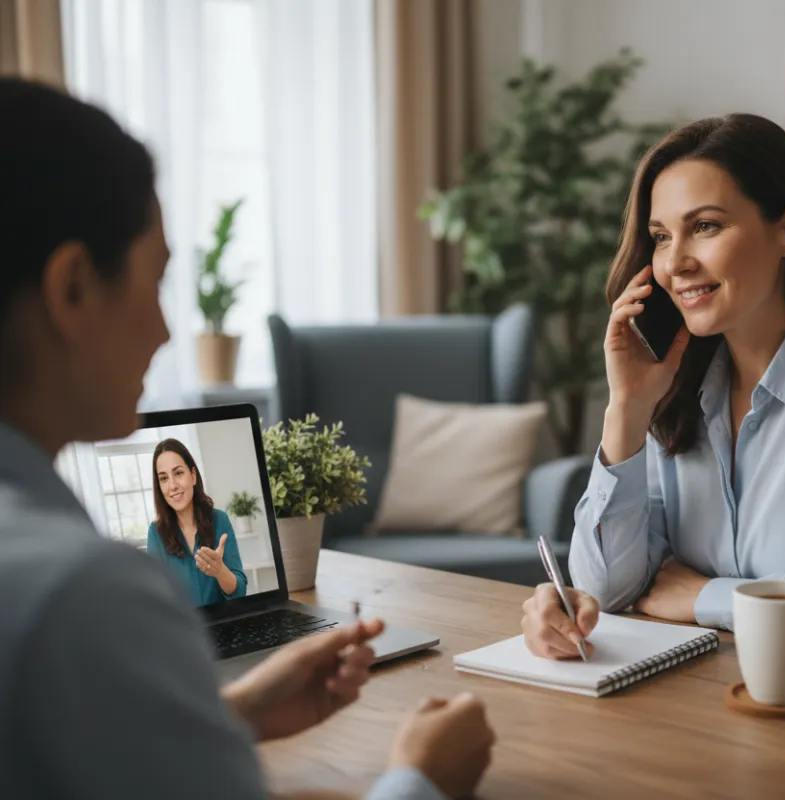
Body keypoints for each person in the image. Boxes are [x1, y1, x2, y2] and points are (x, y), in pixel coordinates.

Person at [0, 77, 493, 799]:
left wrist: (226, 715)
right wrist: (420, 780)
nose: (166, 331)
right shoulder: (81, 593)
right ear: (72, 287)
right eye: (157, 281)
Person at [522, 113, 785, 664]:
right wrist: (626, 408)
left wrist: (704, 597)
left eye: (706, 226)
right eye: (660, 237)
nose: (675, 262)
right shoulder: (677, 386)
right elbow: (613, 591)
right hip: (709, 702)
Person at [146, 438, 248, 605]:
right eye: (164, 478)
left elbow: (240, 592)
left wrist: (220, 571)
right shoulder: (156, 533)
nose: (172, 486)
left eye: (178, 473)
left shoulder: (220, 520)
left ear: (193, 476)